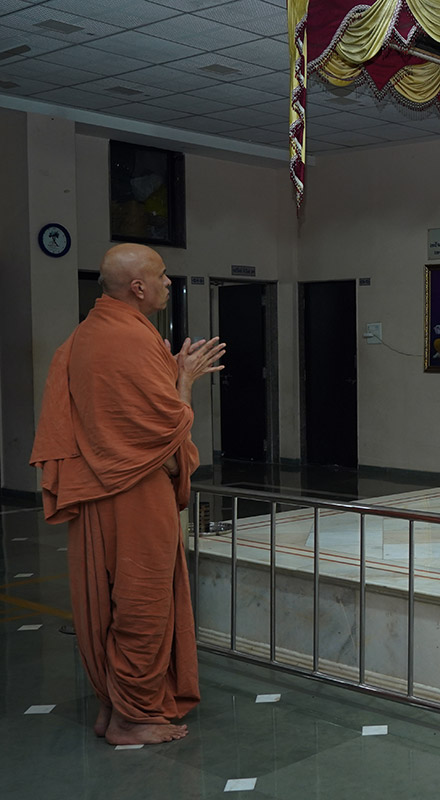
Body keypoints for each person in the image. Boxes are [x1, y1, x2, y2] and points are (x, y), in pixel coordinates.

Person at [30, 244, 226, 745]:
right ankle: (133, 717)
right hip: (135, 491)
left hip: (95, 491)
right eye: (161, 275)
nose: (167, 282)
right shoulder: (131, 339)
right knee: (144, 599)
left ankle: (112, 706)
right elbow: (165, 429)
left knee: (106, 599)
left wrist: (169, 373)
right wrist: (184, 381)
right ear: (138, 287)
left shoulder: (84, 335)